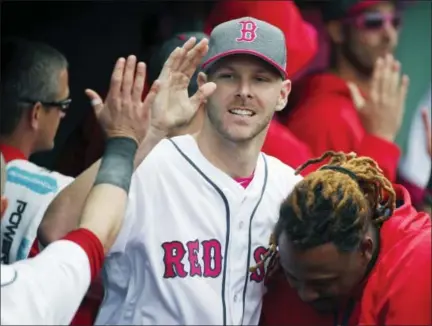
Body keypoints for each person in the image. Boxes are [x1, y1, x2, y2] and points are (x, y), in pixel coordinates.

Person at [39, 17, 302, 325]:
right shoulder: (150, 165)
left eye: (260, 79)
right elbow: (55, 231)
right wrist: (152, 131)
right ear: (204, 85)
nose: (244, 91)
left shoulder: (289, 189)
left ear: (283, 94)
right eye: (229, 76)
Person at [1, 54, 161, 324]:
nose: (65, 115)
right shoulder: (24, 293)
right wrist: (137, 135)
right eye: (63, 105)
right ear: (36, 113)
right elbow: (96, 247)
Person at [259, 151, 431, 326]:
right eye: (293, 278)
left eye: (322, 282)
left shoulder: (418, 263)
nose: (305, 294)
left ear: (365, 249)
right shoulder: (286, 279)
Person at [285, 0, 408, 181]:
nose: (390, 36)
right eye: (373, 22)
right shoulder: (323, 116)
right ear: (338, 31)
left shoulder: (368, 109)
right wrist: (381, 140)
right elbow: (331, 207)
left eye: (395, 22)